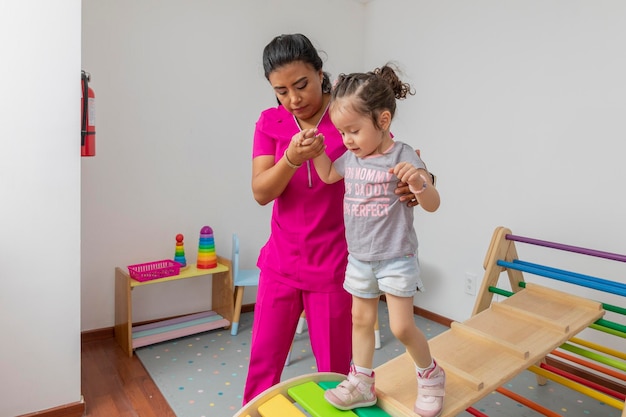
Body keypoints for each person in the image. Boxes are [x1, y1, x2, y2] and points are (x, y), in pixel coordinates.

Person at [244, 34, 425, 404]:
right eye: (281, 91)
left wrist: (424, 182)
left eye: (301, 85)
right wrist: (291, 159)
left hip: (334, 266)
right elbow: (261, 192)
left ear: (319, 73)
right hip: (280, 262)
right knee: (262, 366)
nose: (294, 99)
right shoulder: (270, 123)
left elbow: (395, 156)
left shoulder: (346, 115)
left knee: (336, 373)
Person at [306, 65, 445, 417]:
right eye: (342, 132)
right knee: (360, 320)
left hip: (397, 256)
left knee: (400, 326)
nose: (347, 139)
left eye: (353, 130)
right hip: (359, 257)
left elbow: (432, 203)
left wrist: (418, 182)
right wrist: (318, 147)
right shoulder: (350, 158)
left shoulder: (403, 156)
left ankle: (430, 375)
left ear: (383, 121)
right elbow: (325, 175)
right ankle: (362, 382)